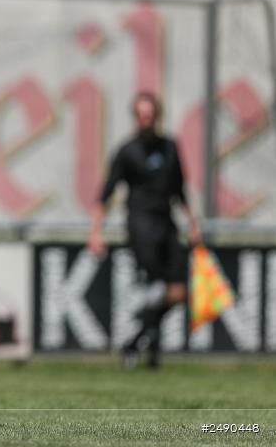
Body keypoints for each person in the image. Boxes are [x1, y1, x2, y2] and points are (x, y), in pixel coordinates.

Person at [88, 92, 201, 369]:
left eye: (150, 114)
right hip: (141, 225)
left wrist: (192, 224)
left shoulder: (171, 147)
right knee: (157, 287)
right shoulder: (127, 151)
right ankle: (151, 351)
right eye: (141, 115)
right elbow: (105, 194)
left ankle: (134, 341)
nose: (146, 120)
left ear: (157, 116)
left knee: (178, 292)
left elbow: (179, 190)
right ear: (136, 117)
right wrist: (95, 232)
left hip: (168, 224)